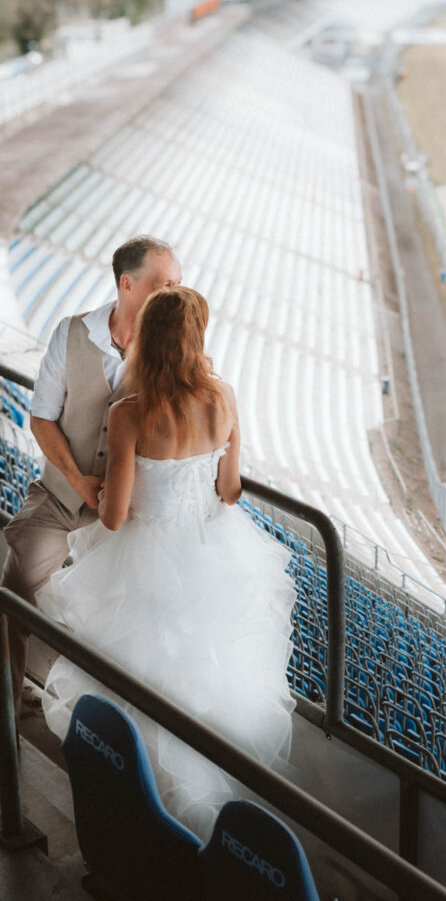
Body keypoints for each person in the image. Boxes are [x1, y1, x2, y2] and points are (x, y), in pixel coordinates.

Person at [36, 287, 296, 840]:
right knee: (205, 684)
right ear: (197, 338)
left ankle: (137, 808)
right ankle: (199, 821)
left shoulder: (128, 414)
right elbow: (229, 490)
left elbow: (113, 518)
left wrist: (105, 491)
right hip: (206, 554)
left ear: (147, 341)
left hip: (142, 560)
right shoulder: (222, 397)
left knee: (134, 684)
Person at [1, 235, 182, 722]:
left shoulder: (172, 352)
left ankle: (99, 733)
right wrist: (80, 481)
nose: (175, 294)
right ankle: (7, 701)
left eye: (178, 285)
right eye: (165, 284)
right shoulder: (70, 332)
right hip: (62, 499)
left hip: (128, 521)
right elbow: (40, 418)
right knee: (12, 581)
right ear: (128, 284)